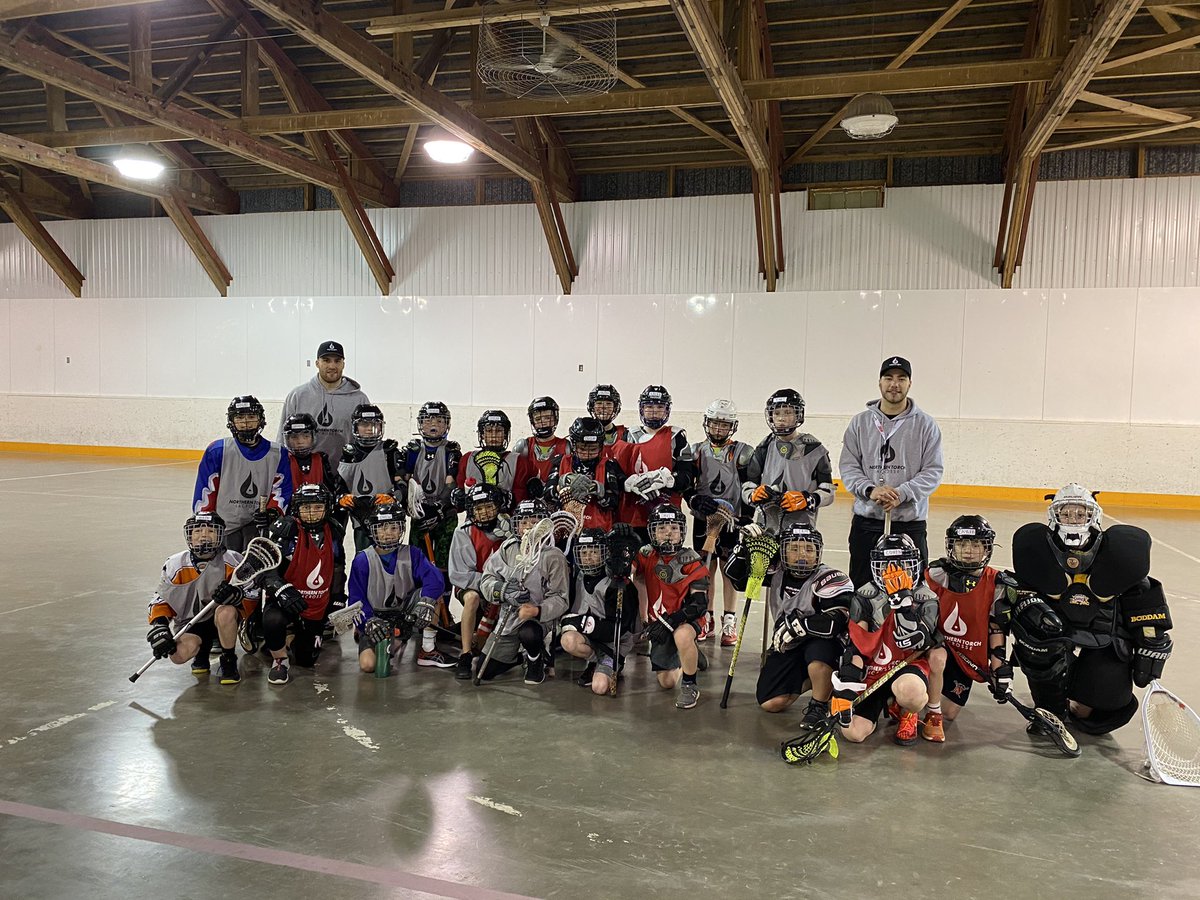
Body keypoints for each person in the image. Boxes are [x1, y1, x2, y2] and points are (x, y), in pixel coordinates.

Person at [1008, 483, 1172, 735]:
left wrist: (1152, 640)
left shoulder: (1120, 551)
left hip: (1105, 637)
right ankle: (1050, 708)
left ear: (1093, 515)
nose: (1073, 519)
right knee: (1037, 646)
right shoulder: (1035, 549)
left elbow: (1142, 594)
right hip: (1056, 637)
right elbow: (1018, 593)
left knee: (1102, 709)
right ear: (1054, 516)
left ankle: (1079, 700)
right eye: (1066, 513)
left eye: (1080, 513)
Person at [726, 522, 853, 726]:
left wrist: (802, 625)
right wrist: (743, 550)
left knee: (819, 655)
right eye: (794, 548)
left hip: (821, 644)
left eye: (809, 549)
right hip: (788, 643)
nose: (802, 554)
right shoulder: (776, 571)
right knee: (770, 702)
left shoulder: (828, 577)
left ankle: (818, 706)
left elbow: (838, 620)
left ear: (819, 552)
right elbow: (738, 581)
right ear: (783, 550)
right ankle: (823, 681)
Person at [839, 357, 944, 587]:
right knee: (862, 591)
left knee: (912, 593)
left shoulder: (926, 425)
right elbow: (848, 466)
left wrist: (902, 493)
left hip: (909, 523)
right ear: (879, 383)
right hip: (867, 523)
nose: (894, 384)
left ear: (910, 384)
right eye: (888, 378)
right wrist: (870, 490)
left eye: (901, 378)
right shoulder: (860, 423)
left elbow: (933, 471)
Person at [834, 533, 941, 746]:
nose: (894, 570)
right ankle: (887, 702)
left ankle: (908, 711)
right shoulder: (864, 597)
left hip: (906, 666)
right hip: (874, 671)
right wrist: (845, 691)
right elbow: (857, 646)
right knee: (853, 733)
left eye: (902, 564)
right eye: (887, 564)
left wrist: (903, 604)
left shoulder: (926, 598)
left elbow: (914, 642)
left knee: (911, 694)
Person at [922, 515, 1016, 742]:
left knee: (950, 713)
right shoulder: (936, 575)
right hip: (935, 648)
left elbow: (996, 628)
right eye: (962, 544)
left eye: (976, 545)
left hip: (967, 656)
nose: (968, 550)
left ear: (987, 548)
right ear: (951, 546)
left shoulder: (997, 583)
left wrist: (999, 668)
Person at [145, 512, 259, 685]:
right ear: (189, 535)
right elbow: (161, 599)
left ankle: (228, 661)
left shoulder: (233, 560)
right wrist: (160, 626)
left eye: (211, 530)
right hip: (191, 622)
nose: (204, 535)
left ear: (220, 535)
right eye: (197, 530)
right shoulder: (175, 564)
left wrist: (238, 597)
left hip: (222, 621)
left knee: (226, 611)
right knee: (178, 655)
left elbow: (253, 593)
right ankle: (201, 653)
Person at [257, 484, 346, 684]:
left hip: (316, 602)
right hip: (285, 598)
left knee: (306, 659)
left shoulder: (334, 530)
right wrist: (281, 590)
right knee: (272, 621)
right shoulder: (285, 530)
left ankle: (290, 634)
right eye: (306, 508)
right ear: (297, 509)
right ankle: (279, 660)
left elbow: (338, 567)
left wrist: (338, 599)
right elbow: (265, 570)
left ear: (326, 507)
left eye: (317, 507)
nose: (312, 513)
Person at [476, 500, 570, 684]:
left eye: (535, 522)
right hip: (510, 618)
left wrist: (537, 610)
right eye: (524, 522)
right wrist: (503, 591)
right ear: (516, 525)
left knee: (529, 632)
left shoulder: (553, 556)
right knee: (484, 671)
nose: (529, 527)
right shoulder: (507, 549)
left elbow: (561, 597)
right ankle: (521, 656)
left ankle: (535, 657)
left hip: (539, 621)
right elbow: (486, 579)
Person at [348, 504, 450, 674]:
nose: (388, 533)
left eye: (394, 527)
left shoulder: (413, 553)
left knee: (433, 597)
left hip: (403, 614)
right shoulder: (362, 560)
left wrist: (425, 603)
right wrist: (367, 622)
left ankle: (427, 649)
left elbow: (436, 580)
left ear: (402, 528)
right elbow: (355, 600)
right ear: (374, 531)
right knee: (368, 665)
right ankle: (380, 635)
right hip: (375, 618)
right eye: (382, 527)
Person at [686, 399, 753, 645]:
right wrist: (694, 500)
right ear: (706, 423)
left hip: (731, 520)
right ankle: (707, 617)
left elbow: (748, 485)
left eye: (724, 425)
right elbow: (686, 486)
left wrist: (747, 515)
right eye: (714, 424)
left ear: (732, 427)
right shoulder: (695, 451)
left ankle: (729, 620)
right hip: (704, 520)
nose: (718, 429)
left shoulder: (742, 452)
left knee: (729, 569)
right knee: (705, 568)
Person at [632, 506, 710, 710]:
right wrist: (621, 552)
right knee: (666, 683)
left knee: (682, 636)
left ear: (682, 531)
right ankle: (691, 654)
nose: (668, 533)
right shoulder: (645, 555)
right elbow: (626, 572)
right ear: (652, 532)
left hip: (685, 620)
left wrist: (673, 620)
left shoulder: (691, 561)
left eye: (674, 528)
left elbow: (699, 605)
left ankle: (690, 685)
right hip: (660, 624)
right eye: (662, 528)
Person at [194, 395, 292, 552]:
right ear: (232, 421)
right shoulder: (217, 451)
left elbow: (282, 490)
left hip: (258, 527)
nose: (246, 423)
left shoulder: (279, 453)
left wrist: (272, 513)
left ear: (261, 419)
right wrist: (208, 524)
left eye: (251, 417)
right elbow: (204, 493)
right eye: (240, 418)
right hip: (224, 526)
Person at [401, 401, 462, 631]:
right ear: (420, 424)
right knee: (417, 564)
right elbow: (404, 480)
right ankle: (419, 614)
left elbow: (451, 483)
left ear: (447, 424)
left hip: (444, 516)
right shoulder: (412, 450)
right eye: (428, 420)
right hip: (419, 516)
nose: (433, 425)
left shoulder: (452, 450)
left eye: (438, 420)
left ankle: (442, 616)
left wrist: (438, 508)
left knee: (443, 566)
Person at [742, 388, 836, 535]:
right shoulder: (764, 447)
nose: (781, 418)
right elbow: (748, 485)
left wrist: (808, 499)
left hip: (801, 530)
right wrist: (752, 495)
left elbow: (828, 491)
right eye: (776, 413)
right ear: (770, 416)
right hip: (765, 528)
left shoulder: (815, 449)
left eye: (788, 412)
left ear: (798, 415)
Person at [559, 527, 640, 693]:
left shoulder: (616, 582)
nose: (588, 557)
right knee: (568, 640)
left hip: (614, 642)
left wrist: (582, 623)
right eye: (583, 551)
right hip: (593, 637)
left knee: (600, 687)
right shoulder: (578, 576)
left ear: (605, 552)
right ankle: (595, 661)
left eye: (594, 551)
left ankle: (613, 661)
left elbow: (617, 629)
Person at [620, 385, 695, 539]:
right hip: (634, 514)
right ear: (641, 409)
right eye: (649, 406)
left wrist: (669, 480)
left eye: (659, 407)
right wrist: (628, 482)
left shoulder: (676, 437)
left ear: (667, 410)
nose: (654, 411)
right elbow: (617, 472)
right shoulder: (629, 435)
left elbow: (687, 476)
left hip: (668, 514)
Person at [449, 483, 508, 679]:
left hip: (502, 588)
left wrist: (511, 536)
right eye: (479, 508)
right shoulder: (463, 532)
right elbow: (460, 574)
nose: (484, 512)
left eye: (489, 506)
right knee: (472, 598)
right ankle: (465, 655)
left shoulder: (507, 529)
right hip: (472, 586)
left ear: (498, 506)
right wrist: (491, 584)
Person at [278, 340, 370, 466]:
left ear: (343, 364)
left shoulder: (359, 400)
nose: (332, 366)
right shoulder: (297, 396)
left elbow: (366, 442)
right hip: (306, 474)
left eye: (337, 361)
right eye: (326, 360)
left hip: (347, 474)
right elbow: (282, 439)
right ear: (317, 363)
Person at [337, 404, 405, 550]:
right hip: (360, 515)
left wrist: (394, 497)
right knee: (363, 555)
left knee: (389, 553)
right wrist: (342, 497)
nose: (369, 428)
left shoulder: (389, 451)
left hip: (388, 517)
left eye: (374, 424)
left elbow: (402, 483)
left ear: (381, 427)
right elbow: (341, 483)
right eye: (364, 424)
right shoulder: (350, 453)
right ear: (355, 427)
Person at [544, 417, 626, 531]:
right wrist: (563, 485)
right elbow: (547, 495)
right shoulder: (560, 462)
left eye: (592, 449)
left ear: (601, 446)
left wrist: (599, 491)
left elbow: (614, 504)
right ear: (573, 445)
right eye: (582, 448)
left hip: (598, 529)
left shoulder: (608, 465)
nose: (587, 453)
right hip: (564, 528)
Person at [512, 397, 569, 504]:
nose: (543, 423)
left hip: (557, 502)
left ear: (555, 418)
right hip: (529, 503)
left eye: (547, 418)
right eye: (538, 419)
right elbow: (516, 481)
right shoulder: (523, 446)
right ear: (532, 421)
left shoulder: (566, 446)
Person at [457, 410, 518, 506]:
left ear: (505, 434)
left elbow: (521, 498)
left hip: (506, 519)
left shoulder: (518, 461)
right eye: (489, 431)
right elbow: (460, 502)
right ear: (482, 434)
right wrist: (459, 498)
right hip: (474, 520)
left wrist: (511, 499)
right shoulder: (467, 459)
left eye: (498, 431)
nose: (493, 436)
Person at [281, 413, 343, 495]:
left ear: (313, 437)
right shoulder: (283, 460)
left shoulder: (321, 459)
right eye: (294, 437)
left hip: (318, 506)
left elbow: (330, 489)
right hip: (290, 505)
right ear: (287, 439)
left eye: (306, 436)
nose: (300, 441)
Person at [587, 383, 630, 450]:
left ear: (615, 408)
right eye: (599, 403)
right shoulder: (582, 433)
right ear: (592, 407)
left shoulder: (627, 436)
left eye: (608, 403)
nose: (604, 407)